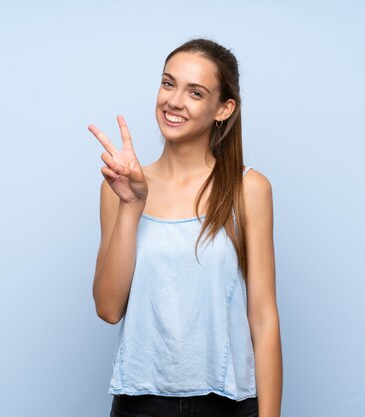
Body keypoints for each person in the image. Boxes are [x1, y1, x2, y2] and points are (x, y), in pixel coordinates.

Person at [88, 38, 282, 417]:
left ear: (224, 109)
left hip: (229, 404)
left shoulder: (249, 189)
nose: (174, 101)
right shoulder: (120, 188)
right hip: (140, 403)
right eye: (168, 83)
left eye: (195, 92)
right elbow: (109, 308)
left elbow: (263, 316)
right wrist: (131, 206)